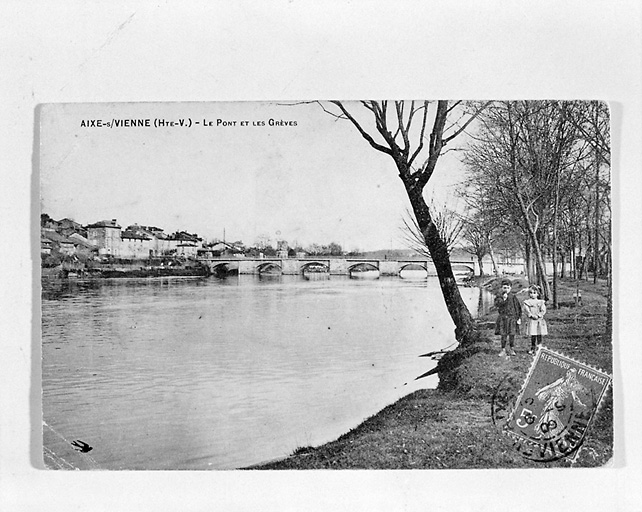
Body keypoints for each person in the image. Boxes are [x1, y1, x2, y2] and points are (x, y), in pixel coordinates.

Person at [494, 278, 522, 357]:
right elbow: (497, 305)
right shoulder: (499, 297)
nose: (506, 289)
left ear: (511, 288)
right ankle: (503, 349)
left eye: (508, 288)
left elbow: (518, 307)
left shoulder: (513, 297)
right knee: (503, 335)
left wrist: (518, 317)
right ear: (501, 288)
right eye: (504, 288)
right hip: (503, 319)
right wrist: (504, 299)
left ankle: (512, 349)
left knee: (512, 334)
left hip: (512, 319)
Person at [522, 284, 548, 355]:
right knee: (533, 334)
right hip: (532, 320)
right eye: (531, 293)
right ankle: (533, 348)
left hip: (539, 320)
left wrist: (539, 315)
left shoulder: (540, 302)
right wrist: (531, 315)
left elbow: (543, 310)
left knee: (539, 334)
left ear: (537, 294)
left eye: (534, 293)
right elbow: (526, 310)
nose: (532, 295)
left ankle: (539, 347)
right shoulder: (527, 302)